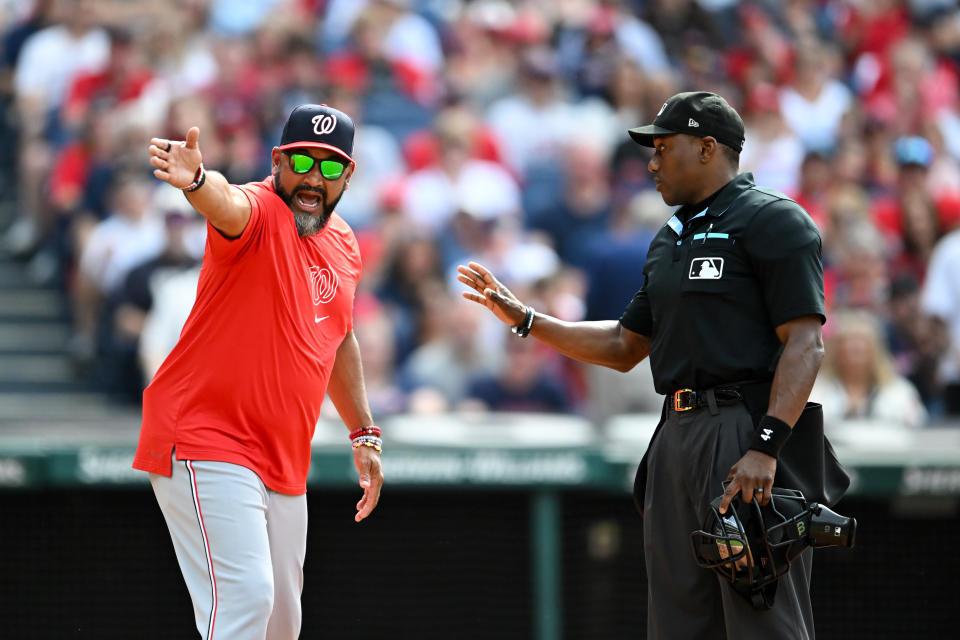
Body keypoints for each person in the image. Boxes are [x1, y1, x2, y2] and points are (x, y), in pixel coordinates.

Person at [459, 91, 830, 639]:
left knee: (761, 616)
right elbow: (623, 344)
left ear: (707, 148)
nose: (651, 163)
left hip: (743, 431)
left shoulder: (772, 220)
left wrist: (767, 445)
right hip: (675, 431)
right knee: (677, 620)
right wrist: (528, 320)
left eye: (663, 148)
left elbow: (806, 342)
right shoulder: (669, 239)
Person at [131, 103, 384, 640]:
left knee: (280, 625)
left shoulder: (344, 243)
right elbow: (226, 202)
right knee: (247, 600)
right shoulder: (260, 209)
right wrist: (197, 181)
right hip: (206, 436)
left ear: (349, 175)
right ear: (277, 161)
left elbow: (338, 337)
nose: (315, 178)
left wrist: (364, 432)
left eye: (331, 166)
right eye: (302, 162)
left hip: (281, 457)